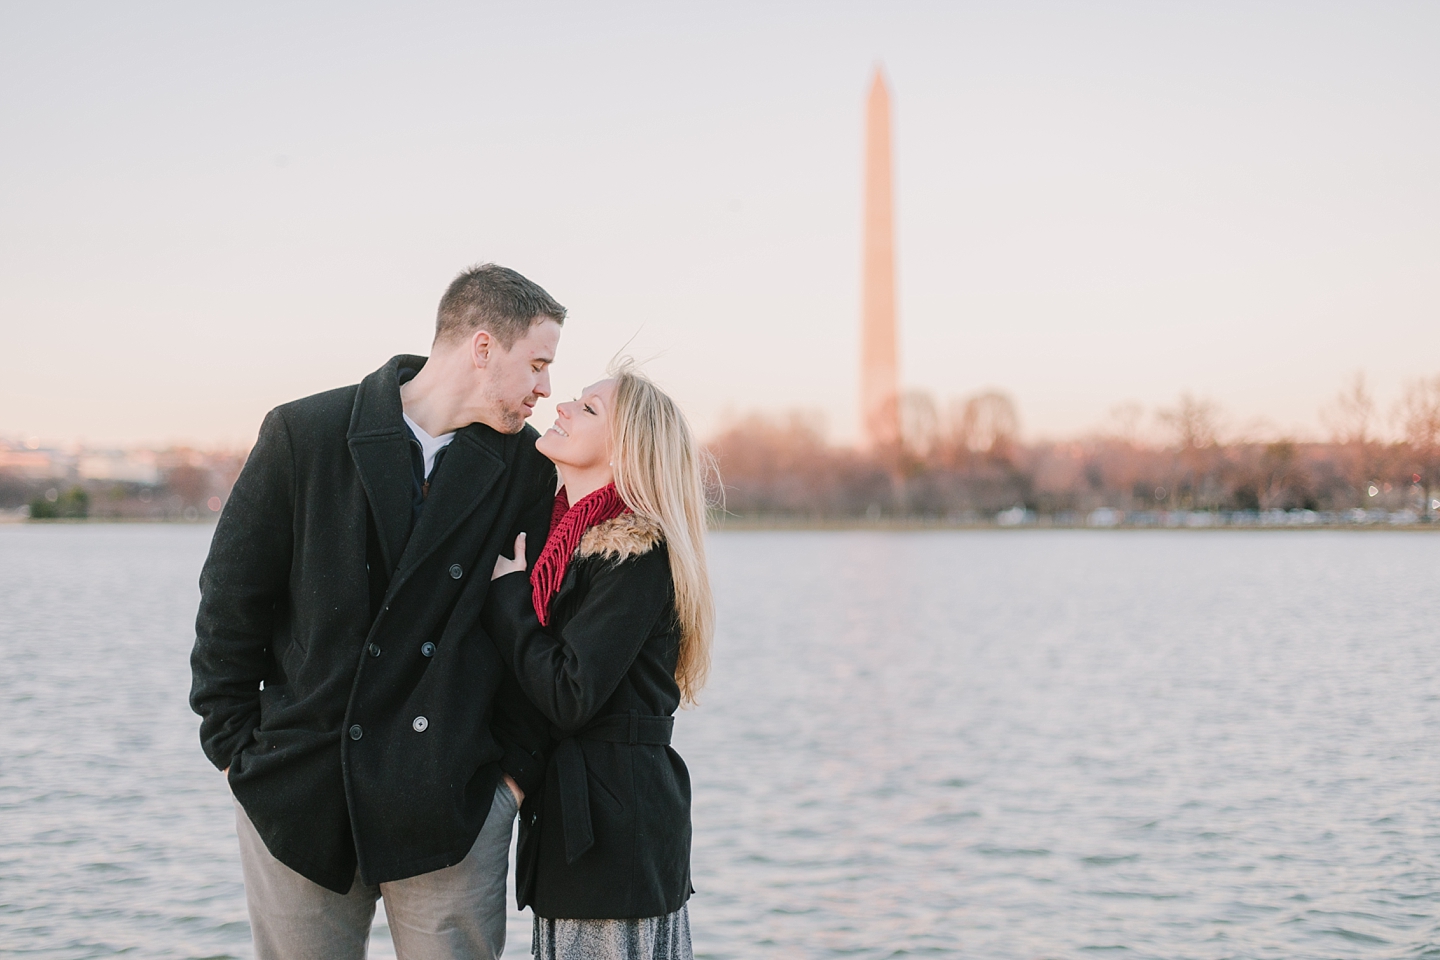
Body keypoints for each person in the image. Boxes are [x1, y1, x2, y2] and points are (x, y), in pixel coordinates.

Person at [190, 263, 564, 960]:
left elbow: (539, 628)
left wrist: (508, 783)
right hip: (300, 791)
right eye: (538, 364)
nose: (547, 388)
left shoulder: (530, 471)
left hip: (452, 801)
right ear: (483, 346)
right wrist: (235, 753)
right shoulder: (306, 434)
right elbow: (230, 604)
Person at [485, 362, 714, 960]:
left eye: (589, 409)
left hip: (615, 839)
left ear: (627, 451)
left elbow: (569, 692)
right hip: (584, 832)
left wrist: (510, 602)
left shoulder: (635, 555)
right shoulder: (570, 544)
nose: (562, 406)